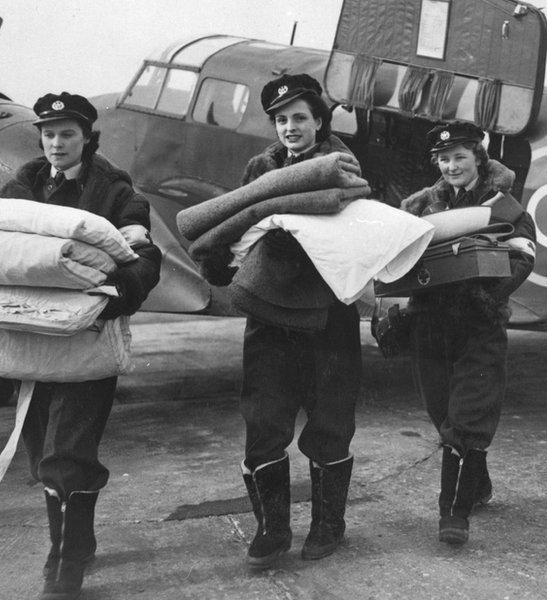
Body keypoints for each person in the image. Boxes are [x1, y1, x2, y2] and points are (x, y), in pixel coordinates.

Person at [0, 92, 162, 599]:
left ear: (87, 138)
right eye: (48, 134)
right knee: (39, 446)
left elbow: (143, 258)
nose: (56, 143)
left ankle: (65, 562)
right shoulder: (17, 192)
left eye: (67, 133)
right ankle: (76, 540)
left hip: (90, 340)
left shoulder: (120, 197)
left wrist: (114, 299)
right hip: (32, 340)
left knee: (69, 449)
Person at [204, 73, 361, 567]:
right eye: (281, 120)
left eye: (299, 118)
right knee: (264, 422)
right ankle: (272, 529)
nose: (289, 127)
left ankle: (328, 525)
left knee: (330, 423)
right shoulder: (261, 168)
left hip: (329, 315)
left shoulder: (343, 166)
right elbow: (234, 225)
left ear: (319, 121)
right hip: (269, 316)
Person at [400, 121, 536, 546]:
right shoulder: (420, 206)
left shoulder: (505, 206)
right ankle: (474, 481)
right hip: (431, 327)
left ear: (479, 157)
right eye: (443, 158)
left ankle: (453, 515)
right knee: (443, 414)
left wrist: (485, 293)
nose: (451, 165)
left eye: (460, 156)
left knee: (468, 415)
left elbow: (524, 256)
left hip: (479, 324)